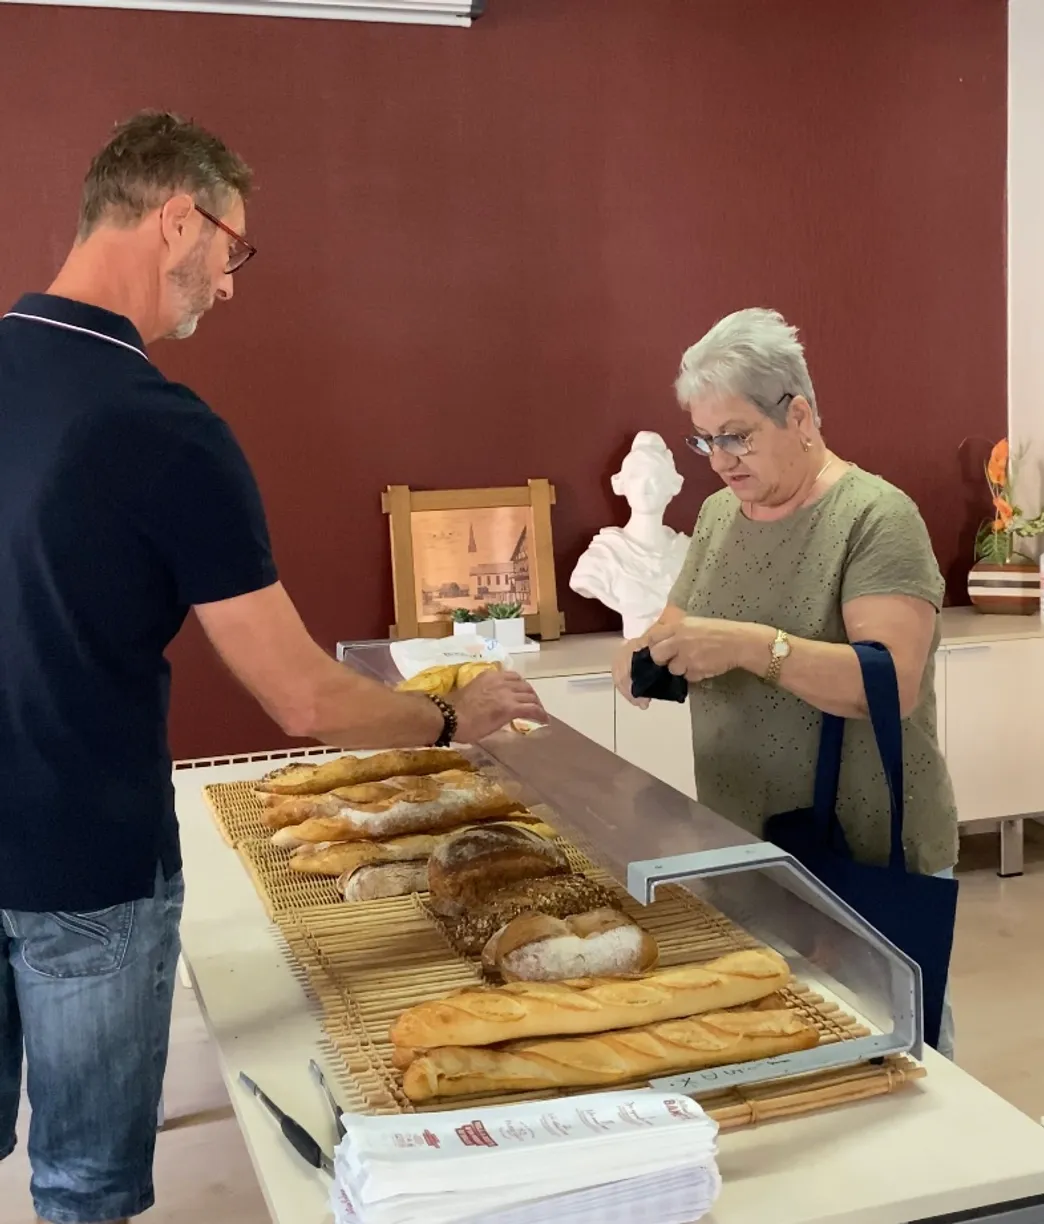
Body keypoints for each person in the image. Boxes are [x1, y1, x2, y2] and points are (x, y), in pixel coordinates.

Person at [0, 111, 544, 1224]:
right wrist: (450, 720)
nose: (230, 284)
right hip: (84, 866)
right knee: (83, 1186)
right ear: (176, 219)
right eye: (233, 249)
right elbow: (300, 695)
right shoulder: (165, 428)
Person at [612, 307, 958, 1054]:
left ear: (798, 414)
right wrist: (646, 651)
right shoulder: (717, 515)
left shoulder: (875, 517)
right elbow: (680, 626)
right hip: (746, 846)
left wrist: (751, 647)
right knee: (786, 1056)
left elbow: (891, 684)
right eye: (704, 439)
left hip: (861, 853)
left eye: (737, 435)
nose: (720, 459)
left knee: (899, 1065)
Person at [569, 431, 691, 638]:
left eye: (656, 477)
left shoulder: (687, 552)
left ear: (674, 485)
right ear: (620, 484)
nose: (645, 486)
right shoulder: (601, 558)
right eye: (636, 476)